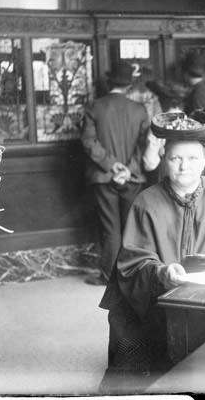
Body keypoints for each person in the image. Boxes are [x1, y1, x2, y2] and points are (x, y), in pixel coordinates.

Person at [98, 110, 205, 393]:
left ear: (204, 161)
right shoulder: (146, 202)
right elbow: (132, 263)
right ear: (164, 160)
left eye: (192, 159)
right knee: (140, 375)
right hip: (152, 302)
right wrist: (161, 272)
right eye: (175, 159)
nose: (183, 167)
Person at [81, 61, 151, 285]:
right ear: (130, 86)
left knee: (110, 228)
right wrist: (127, 169)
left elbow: (89, 142)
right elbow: (144, 145)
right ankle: (133, 274)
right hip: (133, 177)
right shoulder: (140, 110)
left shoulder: (94, 106)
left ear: (109, 82)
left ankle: (108, 276)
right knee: (133, 227)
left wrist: (112, 166)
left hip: (103, 177)